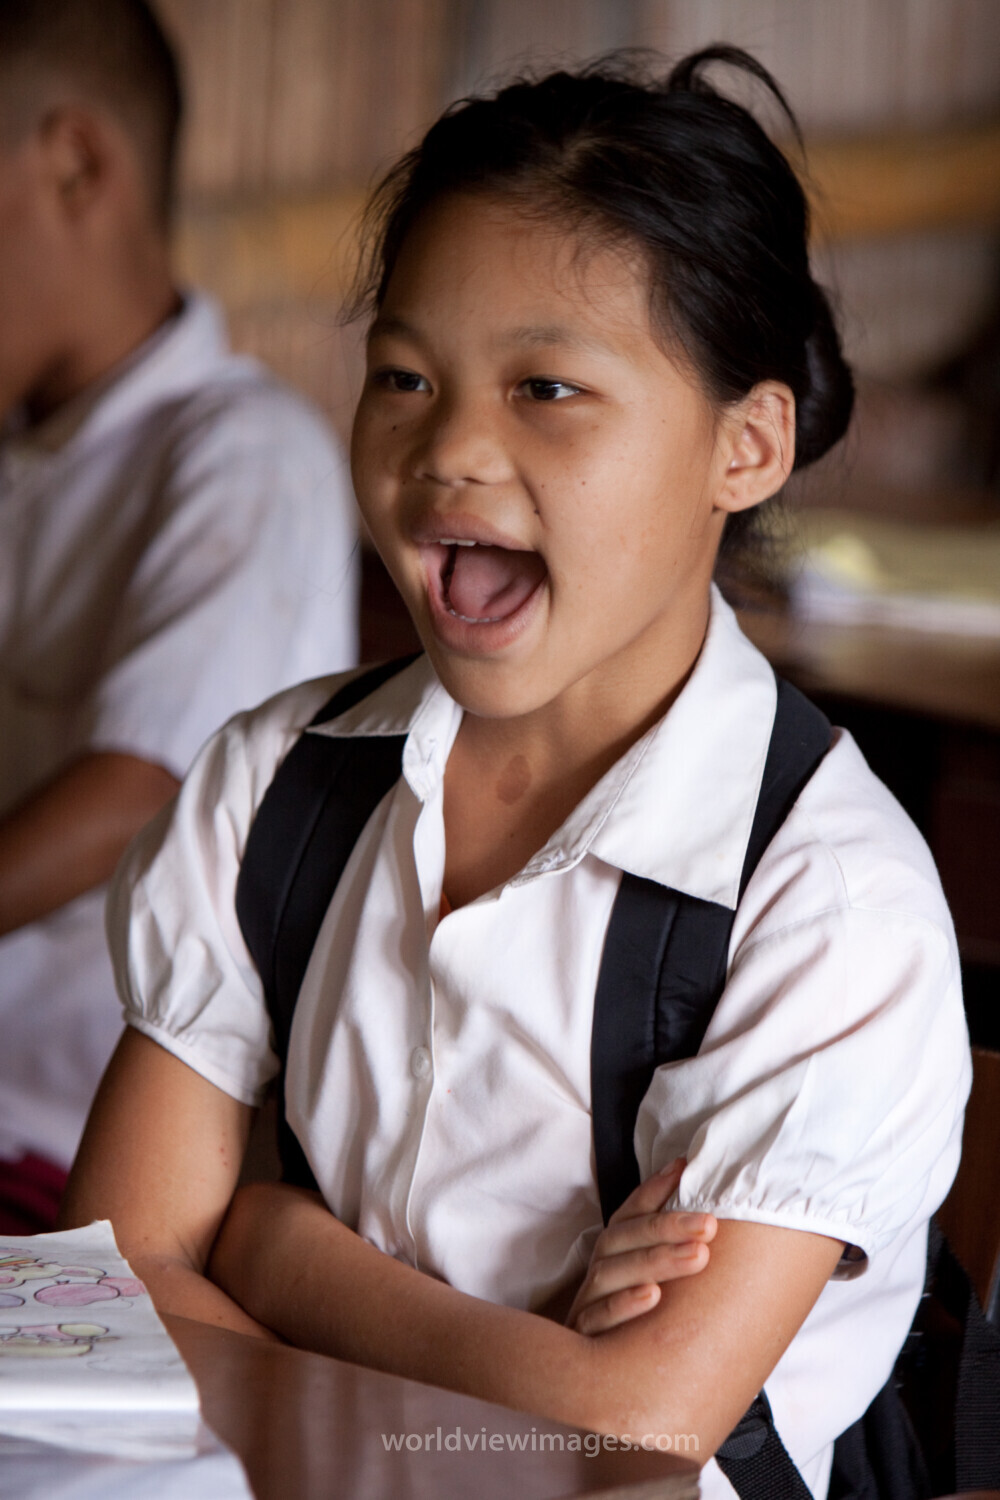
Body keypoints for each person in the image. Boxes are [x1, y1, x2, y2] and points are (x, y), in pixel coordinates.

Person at [61, 48, 970, 1497]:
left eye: (547, 387)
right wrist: (505, 1362)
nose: (450, 449)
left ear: (747, 445)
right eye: (404, 376)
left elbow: (644, 1431)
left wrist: (281, 1253)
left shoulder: (827, 900)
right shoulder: (271, 789)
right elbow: (106, 1287)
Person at [0, 0, 359, 1231]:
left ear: (72, 163)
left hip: (65, 1151)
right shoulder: (25, 457)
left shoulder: (242, 456)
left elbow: (136, 790)